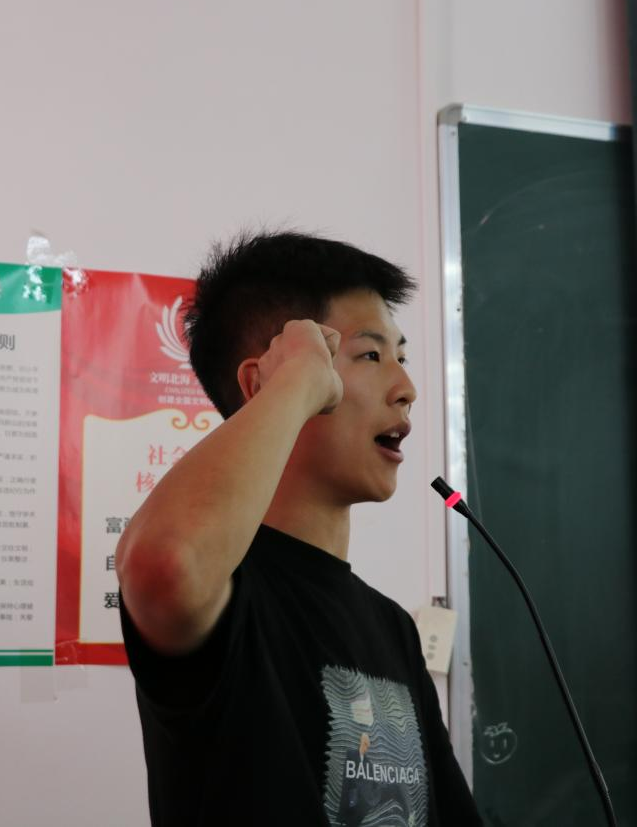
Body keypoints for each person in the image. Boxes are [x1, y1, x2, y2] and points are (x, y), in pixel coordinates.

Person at [116, 231, 481, 826]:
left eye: (402, 357)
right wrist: (293, 386)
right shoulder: (229, 596)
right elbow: (167, 562)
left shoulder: (392, 627)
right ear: (267, 383)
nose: (406, 389)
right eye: (370, 356)